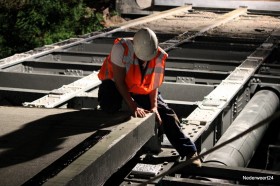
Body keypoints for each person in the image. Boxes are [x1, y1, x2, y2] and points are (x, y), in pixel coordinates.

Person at [97, 27, 201, 167]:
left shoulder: (158, 55)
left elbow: (153, 84)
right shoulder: (121, 49)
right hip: (115, 85)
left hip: (140, 88)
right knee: (108, 103)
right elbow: (119, 81)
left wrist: (154, 107)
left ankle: (189, 152)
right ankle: (120, 107)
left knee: (166, 113)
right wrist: (133, 106)